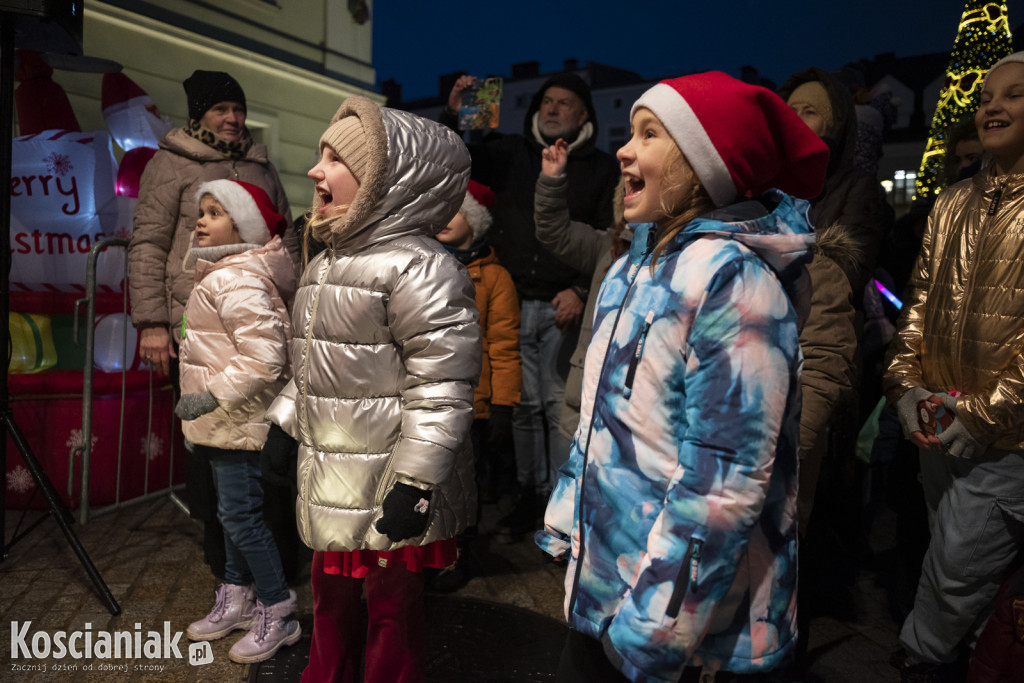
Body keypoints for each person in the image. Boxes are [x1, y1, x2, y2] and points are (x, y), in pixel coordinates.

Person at [536, 72, 829, 682]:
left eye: (650, 135)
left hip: (688, 626)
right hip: (608, 584)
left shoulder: (732, 282)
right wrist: (568, 520)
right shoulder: (631, 269)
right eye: (630, 132)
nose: (624, 150)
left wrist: (656, 627)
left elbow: (723, 481)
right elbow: (600, 420)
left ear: (705, 166)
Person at [260, 95, 480, 682]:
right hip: (334, 470)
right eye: (320, 155)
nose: (314, 170)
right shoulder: (327, 258)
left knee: (392, 606)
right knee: (328, 594)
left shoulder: (420, 267)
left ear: (386, 182)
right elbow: (314, 362)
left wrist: (414, 481)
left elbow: (443, 385)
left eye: (334, 159)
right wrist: (284, 424)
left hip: (390, 476)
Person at [883, 52, 1024, 683]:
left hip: (1006, 438)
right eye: (987, 95)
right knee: (948, 559)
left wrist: (987, 413)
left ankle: (922, 662)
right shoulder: (954, 201)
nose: (991, 106)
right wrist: (906, 386)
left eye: (1015, 95)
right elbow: (917, 303)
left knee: (957, 571)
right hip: (937, 422)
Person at [128, 69, 298, 581]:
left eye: (238, 109)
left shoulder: (260, 164)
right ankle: (223, 559)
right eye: (221, 109)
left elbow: (283, 236)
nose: (232, 118)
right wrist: (153, 321)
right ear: (199, 113)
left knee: (263, 430)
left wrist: (295, 300)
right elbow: (150, 243)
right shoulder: (171, 163)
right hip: (195, 316)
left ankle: (271, 555)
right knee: (208, 432)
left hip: (254, 309)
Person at [442, 72, 619, 536]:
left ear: (585, 116)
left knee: (557, 407)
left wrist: (582, 290)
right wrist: (454, 115)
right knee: (521, 407)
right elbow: (456, 160)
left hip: (564, 310)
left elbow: (607, 239)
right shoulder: (509, 154)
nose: (553, 108)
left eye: (565, 103)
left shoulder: (602, 168)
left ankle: (563, 501)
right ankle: (529, 495)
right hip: (514, 301)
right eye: (547, 100)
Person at [174, 179, 300, 662]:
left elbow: (265, 358)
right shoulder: (222, 274)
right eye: (200, 212)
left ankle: (278, 607)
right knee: (230, 517)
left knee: (243, 518)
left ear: (243, 224)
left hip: (237, 422)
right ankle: (238, 596)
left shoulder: (238, 278)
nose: (200, 221)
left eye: (214, 211)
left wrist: (209, 396)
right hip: (223, 423)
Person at [430, 179, 522, 591]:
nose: (444, 219)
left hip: (472, 402)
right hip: (427, 395)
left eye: (456, 210)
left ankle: (459, 553)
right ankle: (428, 551)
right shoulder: (424, 264)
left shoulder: (495, 278)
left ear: (476, 220)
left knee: (464, 486)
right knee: (428, 481)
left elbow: (503, 346)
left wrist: (503, 405)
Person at [534, 139, 631, 444]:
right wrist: (552, 180)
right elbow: (555, 232)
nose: (625, 152)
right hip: (584, 410)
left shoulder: (688, 259)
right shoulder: (612, 246)